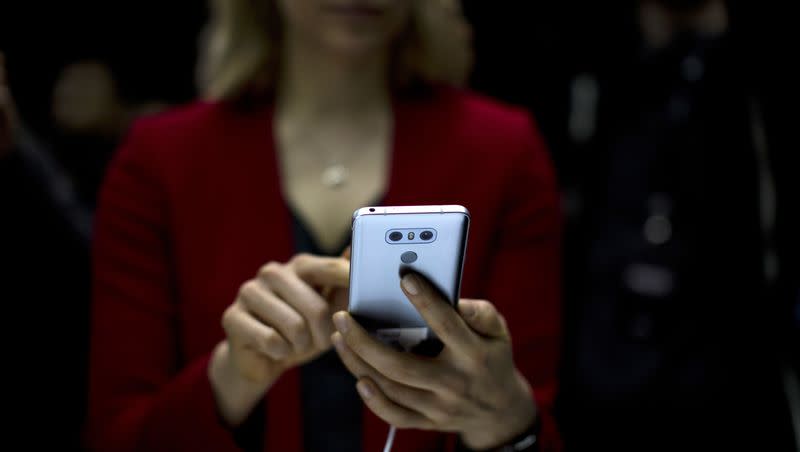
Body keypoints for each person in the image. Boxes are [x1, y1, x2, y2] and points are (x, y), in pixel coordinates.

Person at [86, 1, 562, 451]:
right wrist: (235, 373)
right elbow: (116, 435)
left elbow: (537, 415)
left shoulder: (504, 152)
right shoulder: (159, 160)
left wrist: (502, 416)